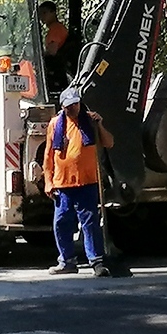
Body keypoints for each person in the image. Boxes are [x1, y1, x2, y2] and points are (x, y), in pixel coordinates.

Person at [43, 85, 114, 277]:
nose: (73, 108)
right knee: (61, 222)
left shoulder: (90, 121)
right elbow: (48, 156)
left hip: (87, 182)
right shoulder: (55, 124)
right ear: (63, 106)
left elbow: (109, 143)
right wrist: (48, 181)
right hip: (62, 184)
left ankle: (96, 261)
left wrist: (100, 125)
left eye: (76, 104)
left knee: (90, 222)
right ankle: (66, 261)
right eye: (69, 106)